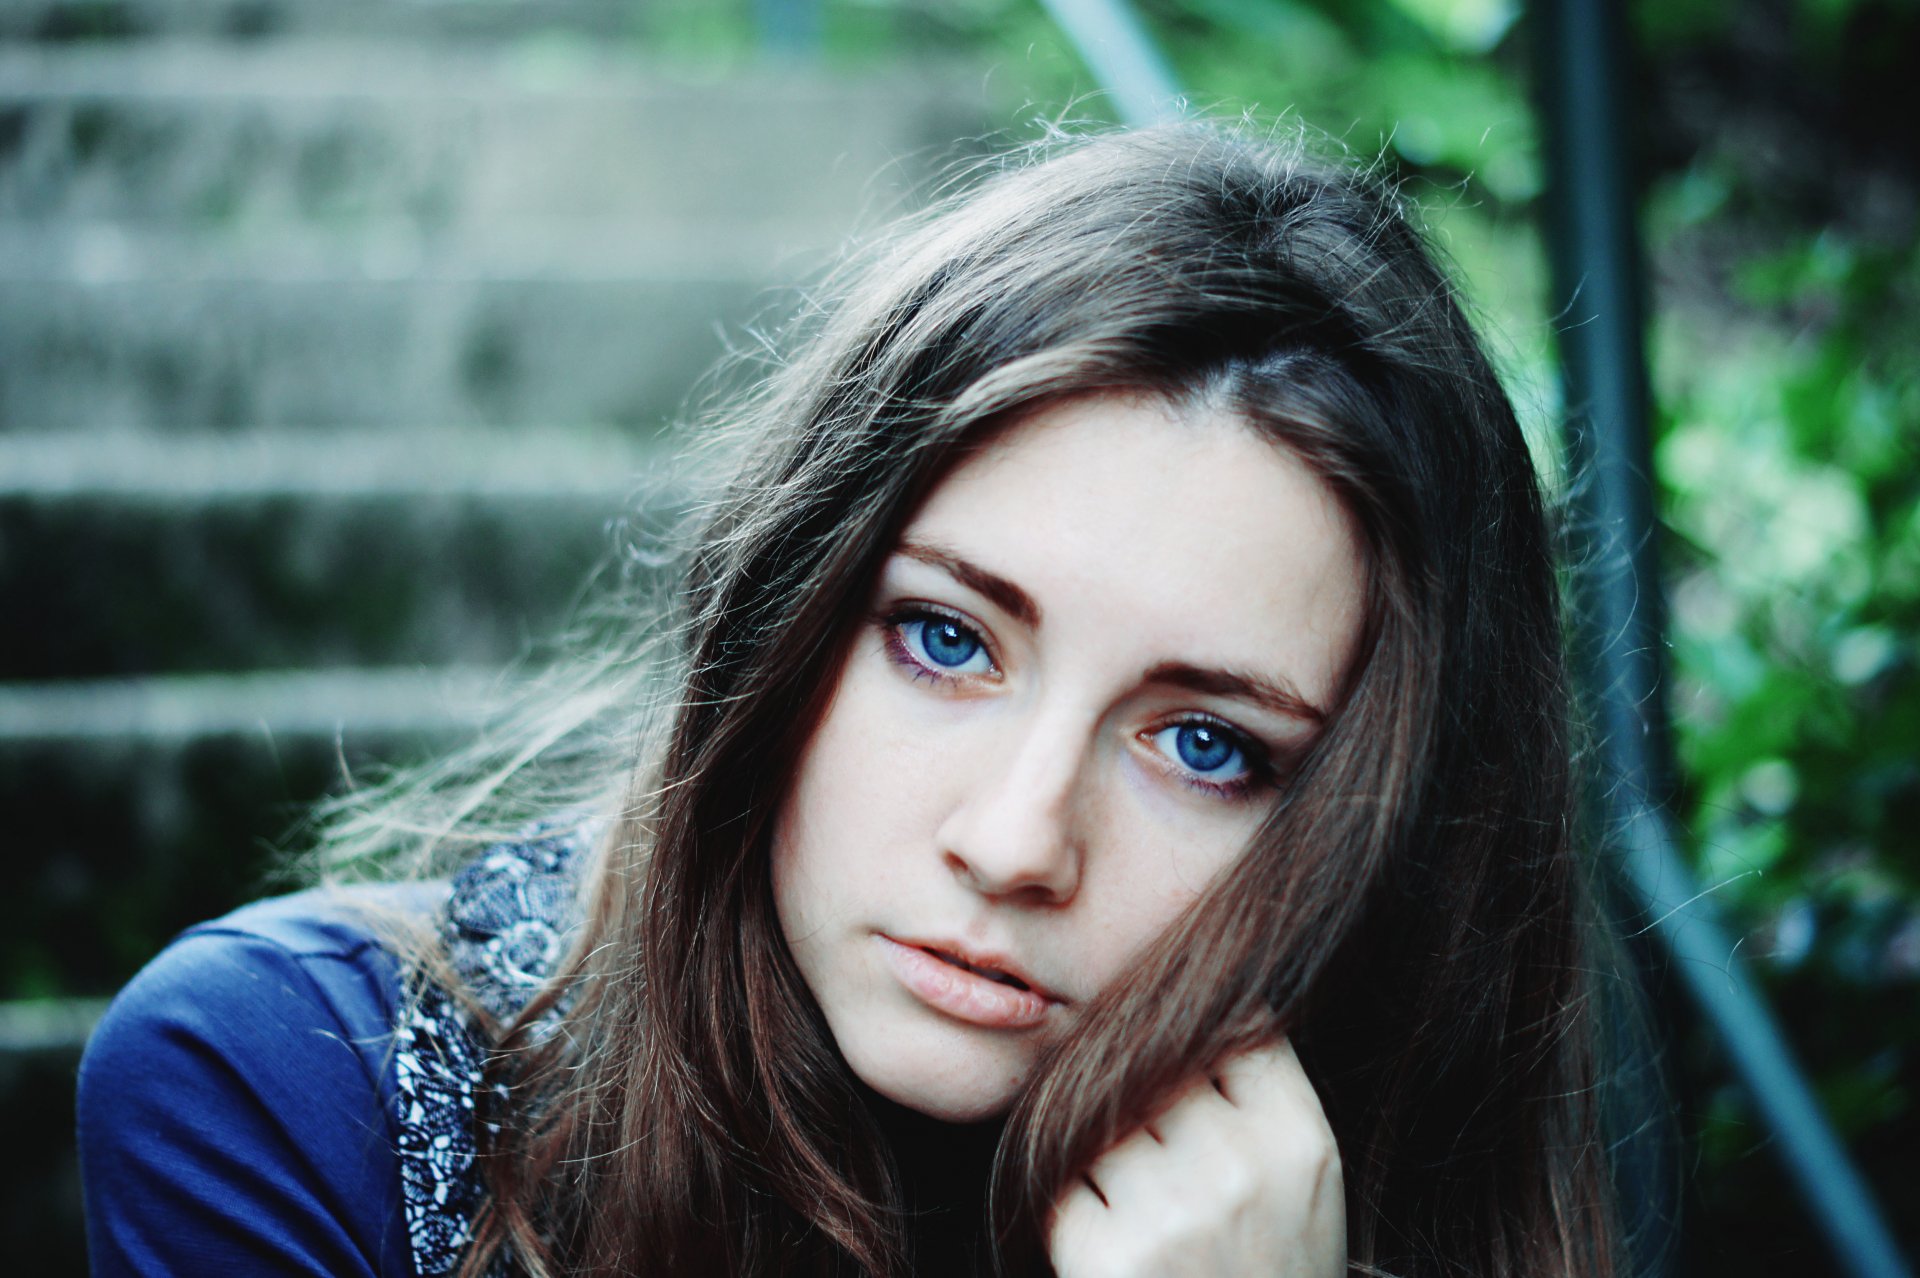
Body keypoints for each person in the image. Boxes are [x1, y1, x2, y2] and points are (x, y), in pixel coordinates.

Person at [78, 122, 1635, 1277]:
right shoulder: (287, 1086)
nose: (1015, 842)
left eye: (1205, 744)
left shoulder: (1393, 1191)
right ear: (787, 616)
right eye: (946, 640)